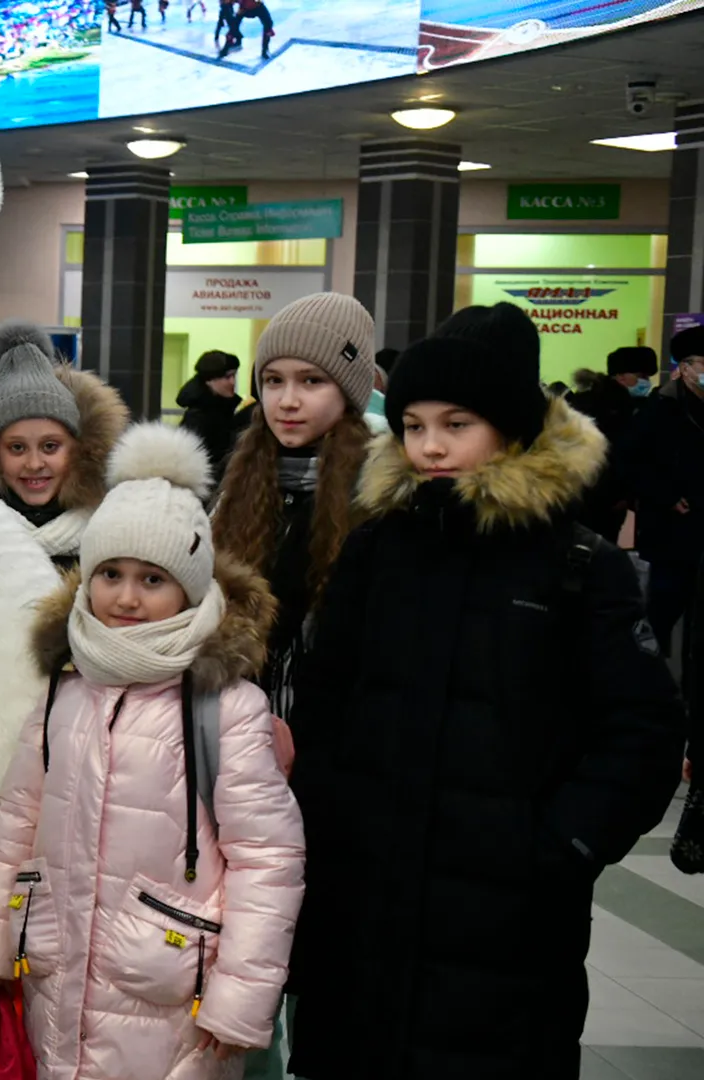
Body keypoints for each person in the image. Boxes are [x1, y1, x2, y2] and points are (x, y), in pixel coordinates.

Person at [287, 324, 686, 1080]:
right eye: (412, 426)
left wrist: (561, 847)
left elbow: (643, 732)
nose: (430, 447)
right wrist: (333, 812)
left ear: (511, 429)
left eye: (456, 425)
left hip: (508, 925)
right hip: (366, 905)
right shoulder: (377, 552)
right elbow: (326, 702)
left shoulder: (577, 566)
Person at [0, 424, 304, 1080]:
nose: (125, 597)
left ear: (191, 587)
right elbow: (12, 830)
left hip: (173, 1000)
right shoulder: (65, 693)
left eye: (152, 578)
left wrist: (239, 1002)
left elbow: (269, 861)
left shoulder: (224, 708)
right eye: (110, 573)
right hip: (55, 983)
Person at [212, 292, 377, 721]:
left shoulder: (378, 497)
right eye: (272, 380)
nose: (287, 401)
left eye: (311, 381)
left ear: (348, 391)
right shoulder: (236, 489)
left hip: (334, 730)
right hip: (231, 725)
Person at [0, 324, 129, 570]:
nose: (34, 463)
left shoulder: (117, 532)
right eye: (17, 448)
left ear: (80, 449)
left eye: (50, 446)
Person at [624, 326, 704, 653]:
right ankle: (649, 677)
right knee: (662, 608)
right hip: (670, 530)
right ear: (685, 368)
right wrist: (666, 497)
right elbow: (629, 462)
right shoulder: (659, 409)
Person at [566, 345, 658, 542]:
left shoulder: (630, 405)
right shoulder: (604, 407)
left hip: (601, 499)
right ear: (621, 376)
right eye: (641, 375)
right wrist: (617, 495)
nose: (646, 382)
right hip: (596, 499)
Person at [177, 349, 249, 484]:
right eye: (227, 377)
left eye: (234, 376)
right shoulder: (199, 417)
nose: (233, 382)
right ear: (209, 380)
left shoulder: (222, 410)